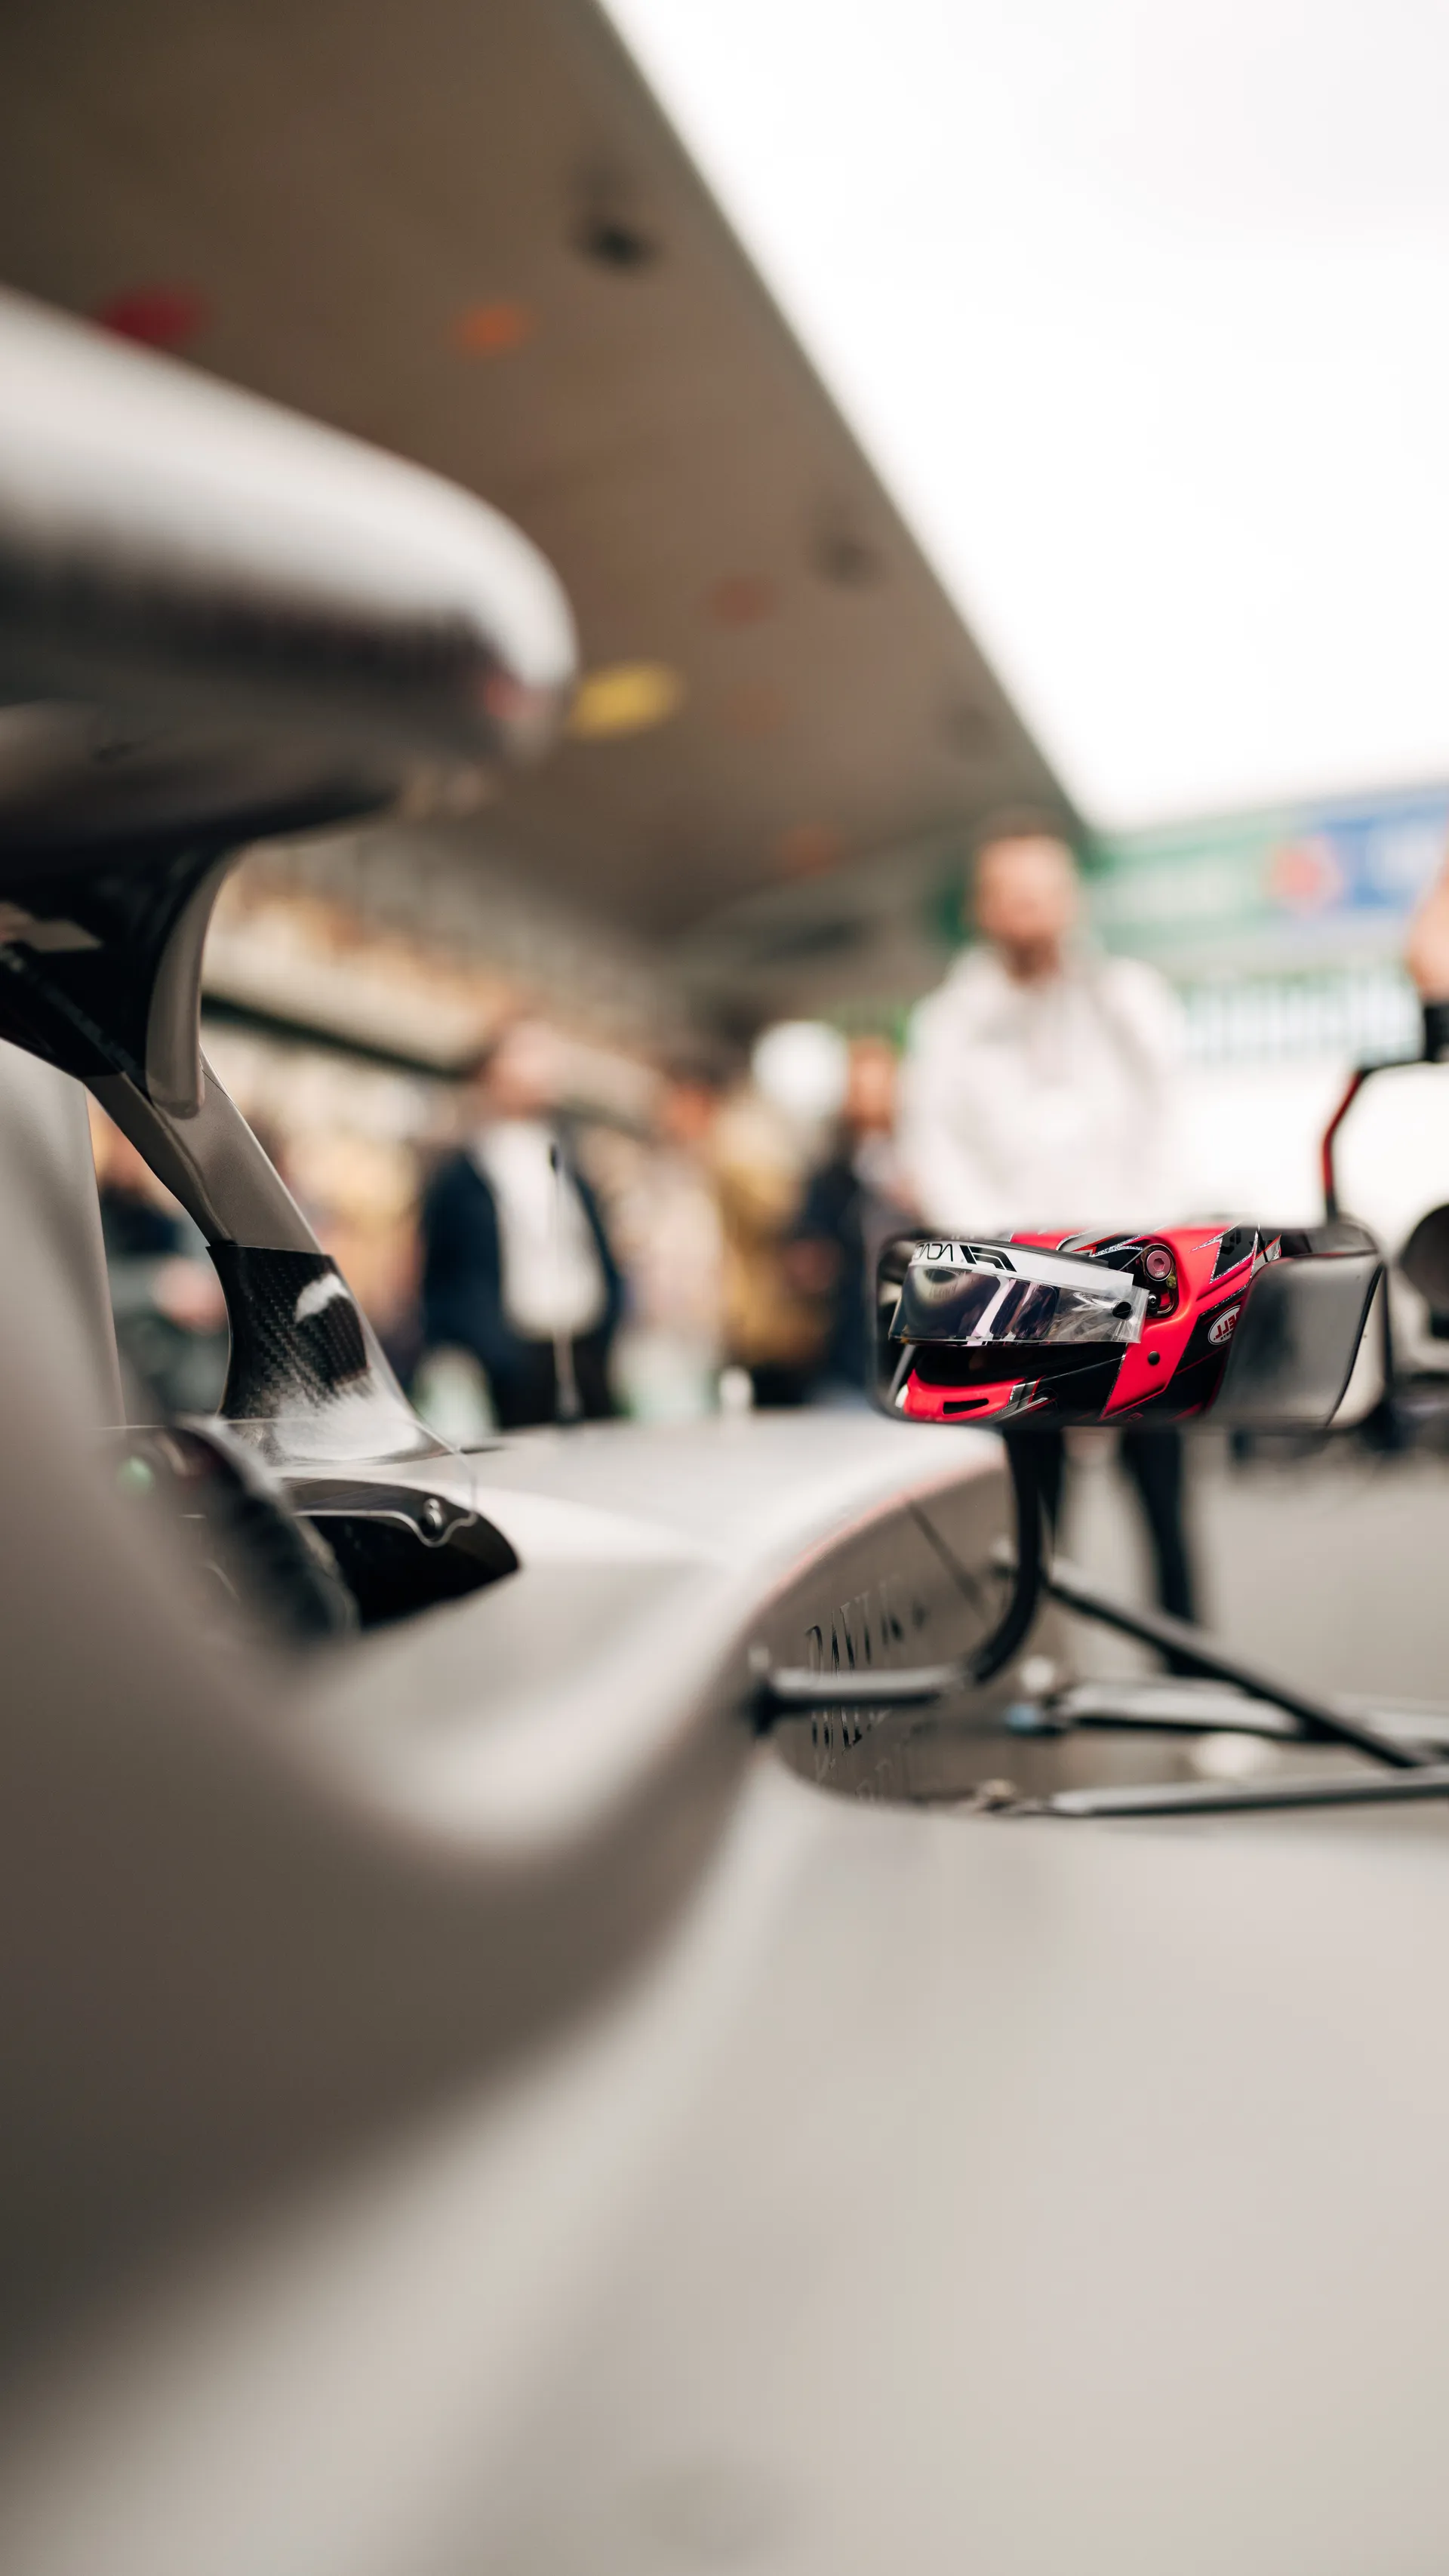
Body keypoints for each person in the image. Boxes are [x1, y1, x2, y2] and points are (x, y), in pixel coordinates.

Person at [900, 820, 1195, 1621]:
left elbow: (1168, 1121)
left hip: (1135, 1274)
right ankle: (1035, 1668)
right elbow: (933, 1151)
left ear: (1071, 901)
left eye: (1045, 892)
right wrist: (1015, 1263)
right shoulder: (947, 1022)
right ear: (982, 908)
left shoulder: (1126, 997)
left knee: (1162, 1496)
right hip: (1013, 1285)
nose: (1031, 912)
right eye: (1012, 895)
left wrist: (1136, 1257)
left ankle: (1195, 1680)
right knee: (1033, 1499)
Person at [419, 1020, 623, 1430]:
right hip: (515, 1360)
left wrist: (608, 1322)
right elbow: (440, 1273)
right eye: (527, 1054)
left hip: (585, 1348)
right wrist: (490, 1348)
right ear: (492, 1071)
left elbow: (597, 1249)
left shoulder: (571, 1157)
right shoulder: (463, 1171)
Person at [791, 1036, 914, 1400]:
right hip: (851, 1354)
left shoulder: (929, 1164)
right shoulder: (832, 1176)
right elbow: (806, 1256)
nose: (869, 1100)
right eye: (860, 1088)